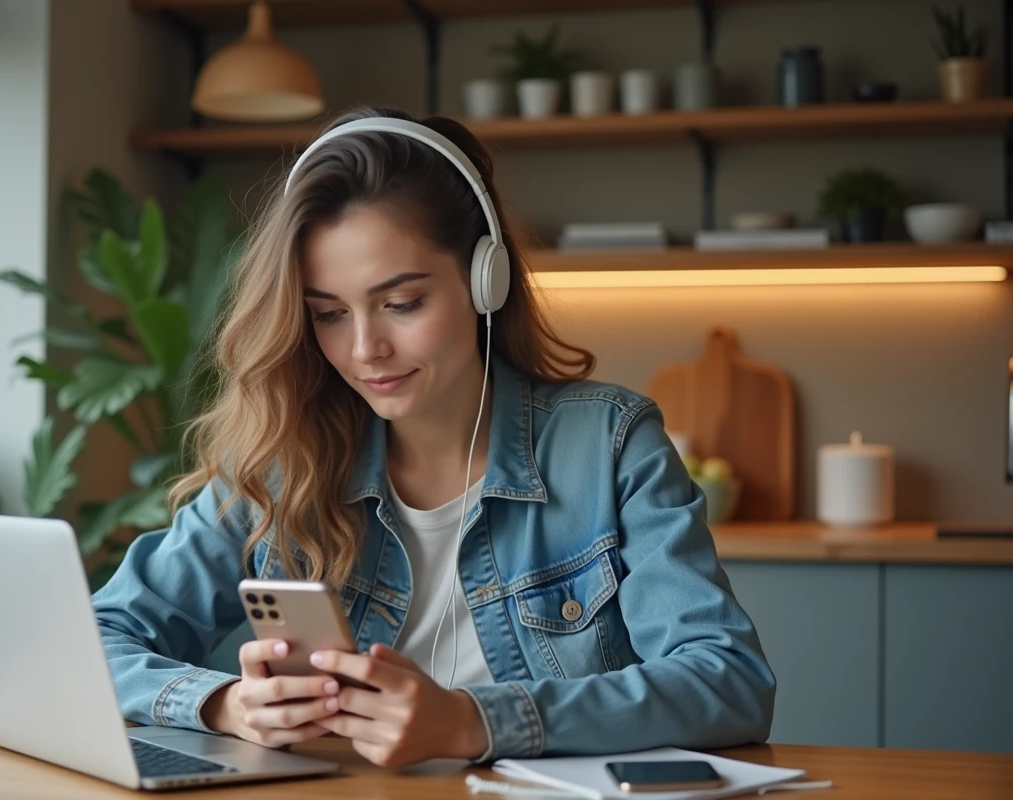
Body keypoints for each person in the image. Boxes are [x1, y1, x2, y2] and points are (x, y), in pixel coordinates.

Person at [91, 106, 775, 768]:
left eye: (401, 304)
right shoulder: (278, 461)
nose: (365, 349)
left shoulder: (609, 444)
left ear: (486, 280)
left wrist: (474, 722)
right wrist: (223, 705)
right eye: (328, 315)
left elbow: (728, 680)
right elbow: (93, 638)